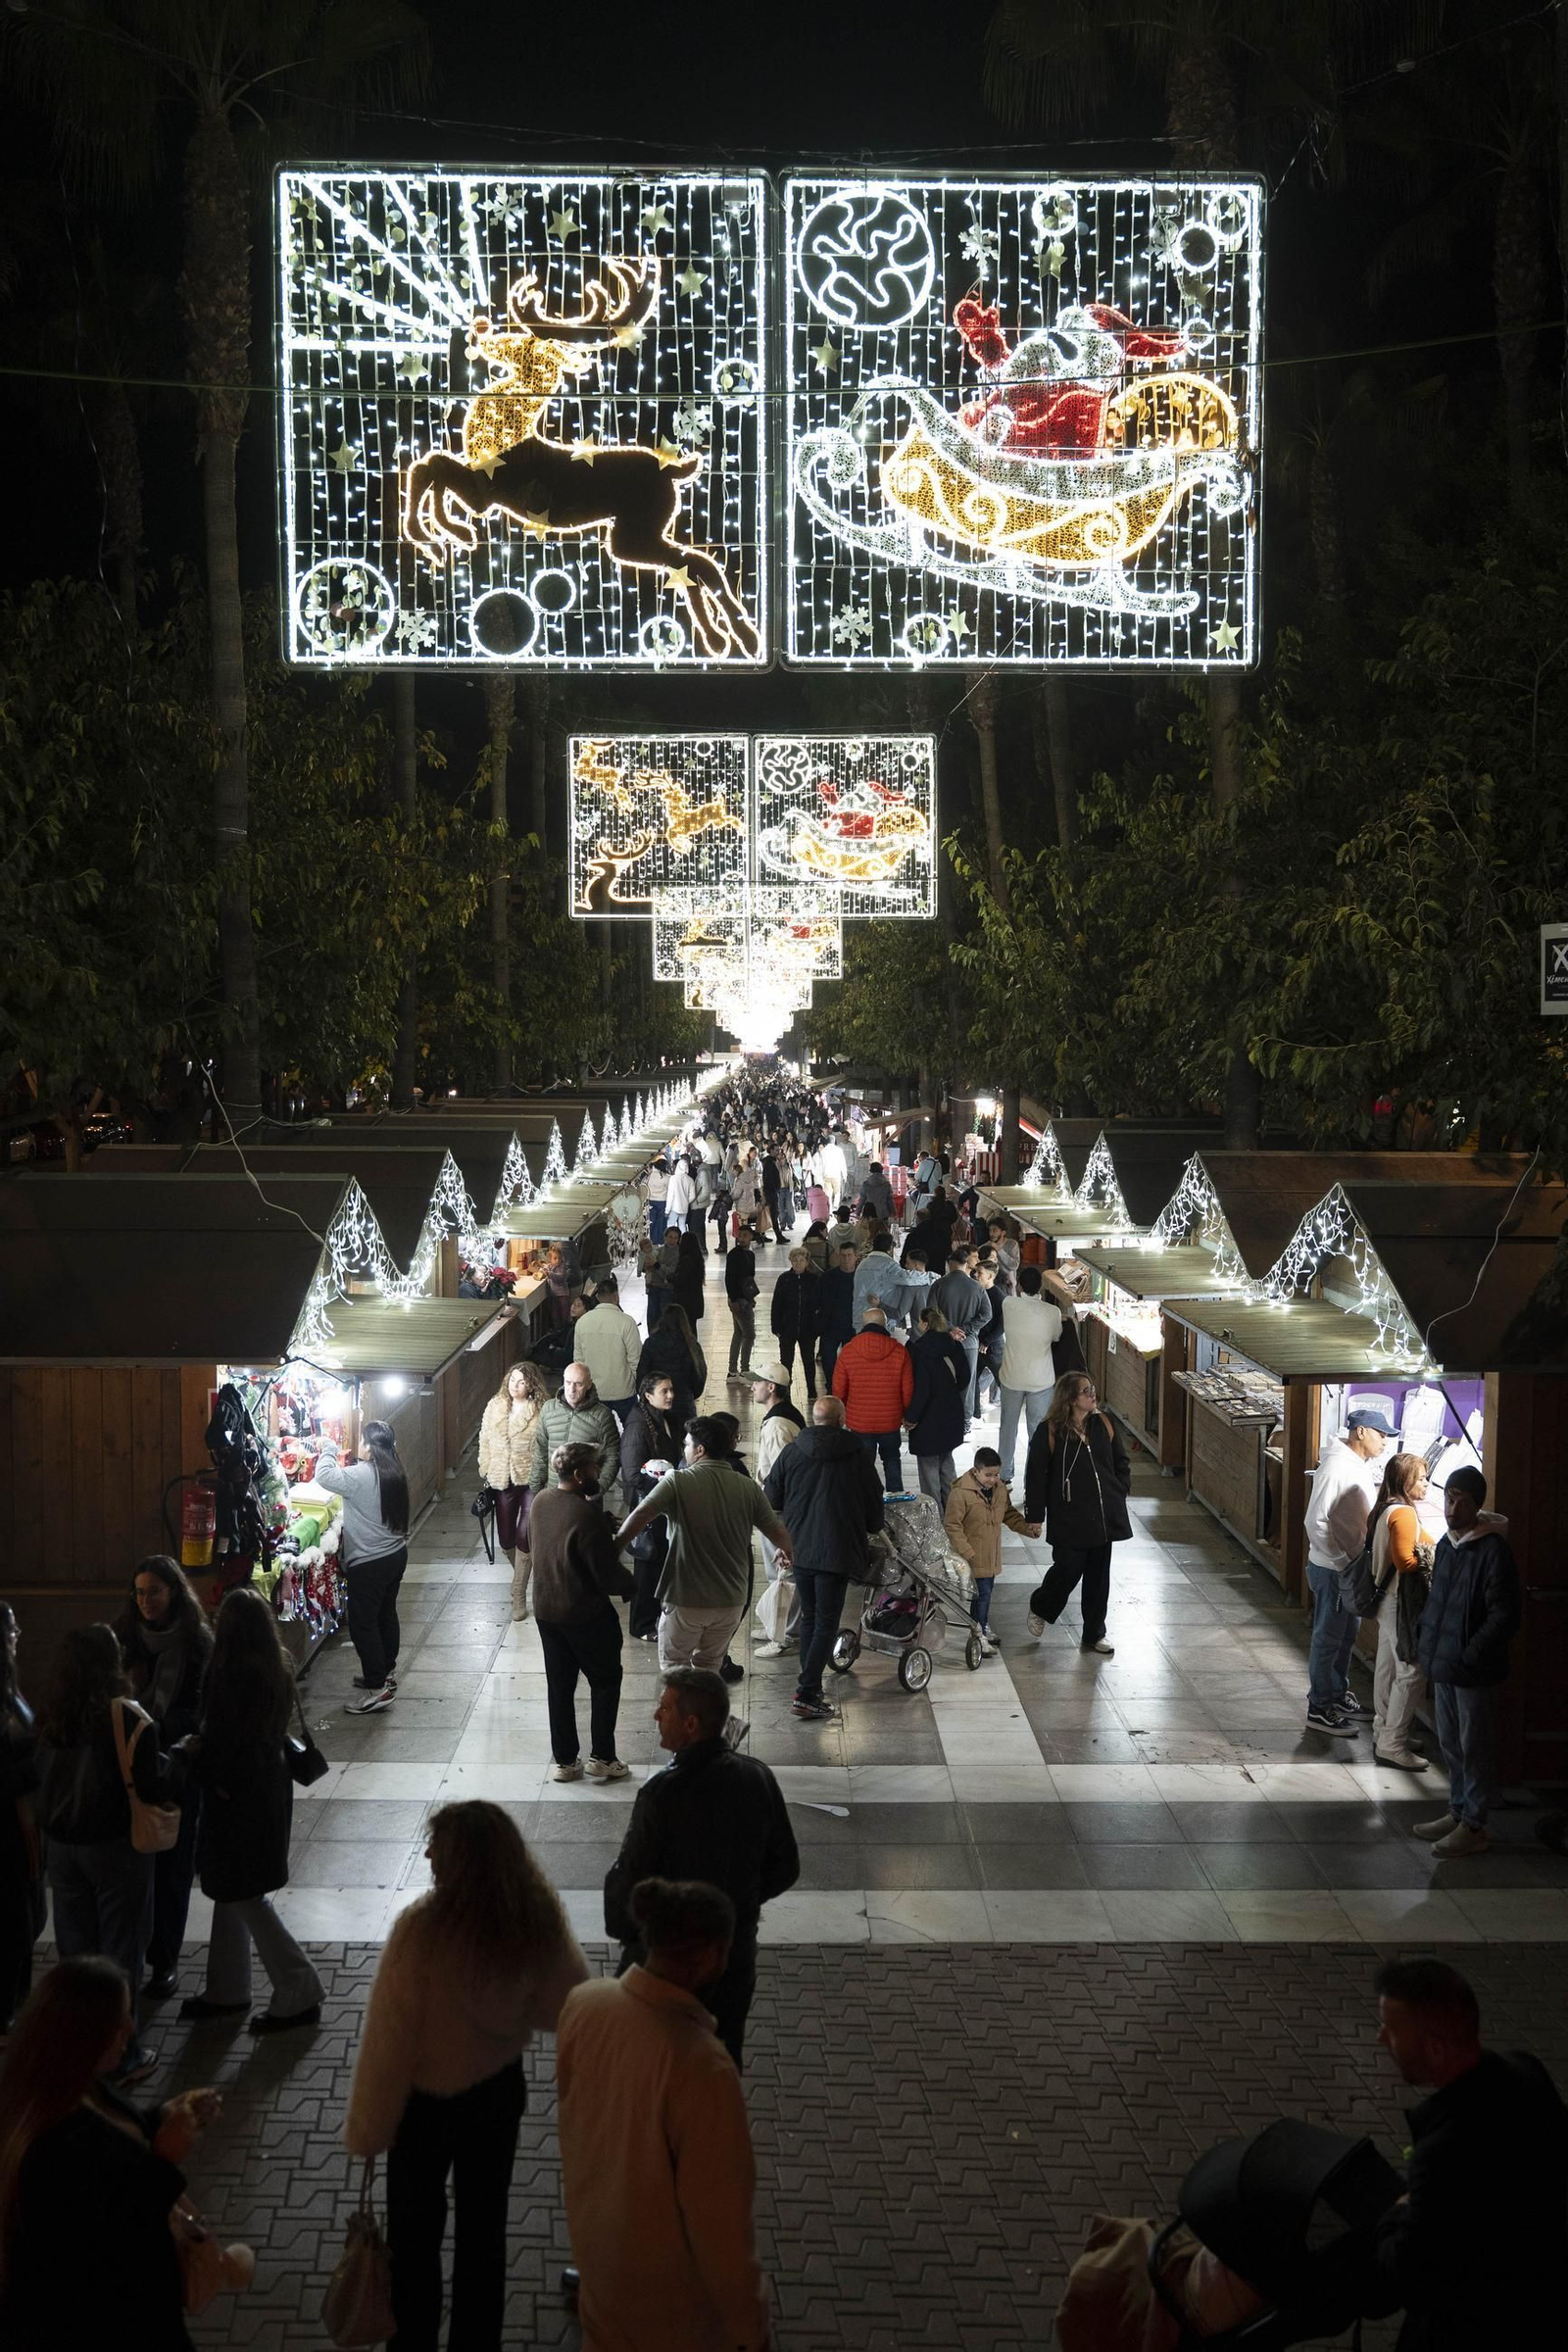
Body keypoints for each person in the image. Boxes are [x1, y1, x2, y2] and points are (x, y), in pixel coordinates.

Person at [346, 1803, 588, 2352]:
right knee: (484, 2235)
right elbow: (568, 2006)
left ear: (459, 1861)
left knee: (413, 2240)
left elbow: (389, 2045)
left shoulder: (418, 1932)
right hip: (496, 2098)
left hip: (422, 2112)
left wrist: (368, 2131)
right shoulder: (533, 1922)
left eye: (437, 1847)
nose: (427, 1854)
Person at [558, 1878, 769, 2352]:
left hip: (599, 2265)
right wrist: (749, 2327)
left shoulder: (584, 2005)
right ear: (713, 1955)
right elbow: (722, 2228)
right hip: (672, 2312)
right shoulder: (704, 2069)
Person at [0, 1956, 229, 2352]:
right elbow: (110, 2234)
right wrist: (164, 2159)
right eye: (118, 2020)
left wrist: (163, 2118)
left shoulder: (79, 2087)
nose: (130, 2029)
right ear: (81, 2034)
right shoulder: (46, 2147)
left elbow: (116, 2142)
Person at [1342, 1958, 1568, 2351]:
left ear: (1435, 2049)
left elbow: (1402, 2272)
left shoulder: (1443, 2154)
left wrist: (1398, 2210)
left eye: (1391, 2031)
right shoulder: (1526, 2072)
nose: (1381, 2039)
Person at [604, 1671, 799, 2064]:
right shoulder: (757, 1777)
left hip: (665, 1965)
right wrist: (734, 1907)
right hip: (732, 1959)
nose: (656, 1716)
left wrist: (640, 1935)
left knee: (650, 2071)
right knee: (720, 2062)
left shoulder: (662, 1794)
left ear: (691, 1724)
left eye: (664, 1708)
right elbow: (786, 1867)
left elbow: (625, 1891)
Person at [177, 1587, 323, 2034]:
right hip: (268, 1788)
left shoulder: (229, 1674)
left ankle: (298, 1985)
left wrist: (193, 1754)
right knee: (233, 1892)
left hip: (236, 1797)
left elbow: (225, 1743)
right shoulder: (275, 1664)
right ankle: (227, 1986)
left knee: (244, 1894)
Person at [34, 1623, 168, 2084]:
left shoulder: (51, 1711)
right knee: (120, 1952)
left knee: (75, 1952)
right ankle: (122, 2055)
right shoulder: (128, 1716)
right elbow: (152, 1786)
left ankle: (78, 2051)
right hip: (115, 1848)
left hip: (62, 1849)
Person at [614, 1414, 792, 1674]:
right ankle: (706, 1714)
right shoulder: (747, 1487)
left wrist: (616, 1547)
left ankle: (682, 1715)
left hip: (686, 1599)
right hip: (730, 1602)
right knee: (709, 1671)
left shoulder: (678, 1481)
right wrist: (784, 1549)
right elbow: (779, 1532)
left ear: (699, 1450)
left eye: (686, 1444)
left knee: (675, 1671)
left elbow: (641, 1515)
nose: (684, 1449)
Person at [113, 1556, 213, 2001]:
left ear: (174, 1590)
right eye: (138, 1592)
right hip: (130, 1767)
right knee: (135, 1868)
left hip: (174, 1770)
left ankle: (165, 1961)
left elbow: (202, 1713)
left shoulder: (196, 1642)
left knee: (173, 1869)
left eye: (153, 1591)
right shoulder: (125, 1638)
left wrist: (161, 1728)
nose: (145, 1601)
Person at [1411, 1465, 1521, 1858]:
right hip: (1444, 1663)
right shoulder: (1447, 1544)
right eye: (1449, 1497)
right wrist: (1427, 1643)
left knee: (1473, 1747)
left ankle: (1474, 1824)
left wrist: (1470, 1652)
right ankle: (1457, 1812)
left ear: (1477, 1506)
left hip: (1472, 1670)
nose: (1452, 1507)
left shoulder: (1492, 1551)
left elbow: (1504, 1615)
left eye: (1461, 1501)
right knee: (1450, 1745)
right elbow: (1437, 1602)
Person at [765, 1396, 885, 1721]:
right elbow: (875, 1510)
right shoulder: (858, 1455)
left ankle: (811, 1688)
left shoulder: (793, 1451)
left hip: (801, 1548)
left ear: (813, 1418)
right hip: (838, 1550)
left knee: (810, 1619)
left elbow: (771, 1496)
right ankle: (806, 1693)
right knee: (824, 1622)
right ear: (843, 1418)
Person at [530, 1443, 638, 1784]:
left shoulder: (541, 1501)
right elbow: (605, 1574)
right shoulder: (586, 1514)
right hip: (584, 1614)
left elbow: (559, 1533)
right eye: (593, 1468)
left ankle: (565, 1761)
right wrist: (636, 1587)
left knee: (559, 1686)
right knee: (605, 1681)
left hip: (547, 1609)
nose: (597, 1474)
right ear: (579, 1476)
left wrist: (601, 1523)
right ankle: (603, 1758)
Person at [1301, 1405, 1396, 1737]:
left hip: (1345, 1568)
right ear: (1360, 1432)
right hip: (1332, 1569)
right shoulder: (1337, 1467)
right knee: (1328, 1638)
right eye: (1381, 1434)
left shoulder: (1353, 1464)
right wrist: (1342, 1564)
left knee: (1345, 1636)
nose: (1385, 1441)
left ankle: (1337, 1695)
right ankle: (1320, 1706)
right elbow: (1315, 1521)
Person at [1023, 1372, 1131, 1655]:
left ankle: (1095, 1633)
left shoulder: (1102, 1423)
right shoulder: (1049, 1431)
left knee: (1098, 1576)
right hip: (1069, 1515)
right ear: (1071, 1399)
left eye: (1092, 1389)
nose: (1093, 1394)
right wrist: (1035, 1515)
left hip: (1103, 1515)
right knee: (1068, 1568)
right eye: (1086, 1391)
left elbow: (1120, 1460)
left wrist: (1120, 1488)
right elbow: (1036, 1475)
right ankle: (1041, 1605)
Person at [318, 1419, 411, 1715]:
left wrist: (329, 1447)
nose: (358, 1444)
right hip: (396, 1555)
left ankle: (376, 1687)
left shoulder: (359, 1475)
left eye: (361, 1440)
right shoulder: (395, 1471)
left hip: (370, 1563)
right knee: (385, 1613)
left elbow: (324, 1476)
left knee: (362, 1624)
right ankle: (386, 1673)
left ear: (369, 1446)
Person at [1364, 1452, 1435, 1773]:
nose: (1426, 1484)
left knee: (1387, 1665)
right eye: (1420, 1478)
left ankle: (1384, 1728)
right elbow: (1406, 1561)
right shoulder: (1404, 1513)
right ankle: (1393, 1743)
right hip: (1398, 1601)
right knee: (1411, 1670)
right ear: (1405, 1480)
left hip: (1383, 1599)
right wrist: (1432, 1557)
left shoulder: (1385, 1508)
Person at [478, 1360, 551, 1621]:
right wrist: (485, 1468)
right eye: (512, 1380)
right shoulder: (495, 1407)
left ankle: (519, 1592)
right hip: (502, 1478)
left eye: (521, 1381)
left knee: (525, 1534)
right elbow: (485, 1439)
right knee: (506, 1538)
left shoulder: (542, 1409)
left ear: (531, 1383)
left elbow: (547, 1443)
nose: (515, 1386)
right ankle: (521, 1576)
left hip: (531, 1478)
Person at [0, 1605, 43, 2034]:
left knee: (26, 1916)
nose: (17, 1632)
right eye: (11, 1626)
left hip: (21, 1820)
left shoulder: (10, 1687)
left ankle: (16, 2007)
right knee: (16, 1920)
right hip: (9, 1824)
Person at [946, 1447, 1032, 1656]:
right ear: (976, 1472)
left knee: (985, 1593)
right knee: (982, 1594)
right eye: (988, 1475)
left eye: (996, 1474)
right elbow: (952, 1525)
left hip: (991, 1554)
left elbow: (1008, 1514)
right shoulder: (960, 1493)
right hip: (973, 1555)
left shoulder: (1000, 1489)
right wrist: (966, 1550)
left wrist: (1027, 1528)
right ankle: (978, 1634)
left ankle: (981, 1626)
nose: (993, 1479)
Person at [620, 1372, 683, 1642]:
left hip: (661, 1503)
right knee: (647, 1563)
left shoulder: (664, 1418)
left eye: (671, 1389)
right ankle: (642, 1624)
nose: (670, 1395)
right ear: (648, 1396)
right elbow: (632, 1474)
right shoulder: (638, 1427)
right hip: (648, 1505)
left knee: (659, 1562)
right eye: (664, 1391)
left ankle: (656, 1617)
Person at [750, 1366, 805, 1659]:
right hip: (778, 1507)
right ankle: (777, 1623)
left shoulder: (777, 1425)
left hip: (779, 1509)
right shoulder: (783, 1416)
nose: (752, 1387)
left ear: (771, 1387)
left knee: (784, 1572)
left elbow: (785, 1470)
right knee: (778, 1573)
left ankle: (784, 1633)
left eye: (756, 1382)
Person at [832, 1301, 914, 1491]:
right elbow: (907, 1389)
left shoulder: (849, 1351)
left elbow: (839, 1388)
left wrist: (842, 1414)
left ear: (863, 1324)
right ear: (885, 1324)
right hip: (890, 1420)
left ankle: (864, 1504)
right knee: (892, 1461)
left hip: (859, 1421)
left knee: (862, 1467)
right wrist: (907, 1415)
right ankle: (897, 1504)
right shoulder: (900, 1351)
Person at [997, 1264, 1065, 1482]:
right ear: (1042, 1288)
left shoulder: (1008, 1304)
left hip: (1012, 1376)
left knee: (1008, 1428)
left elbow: (1010, 1297)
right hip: (1041, 1380)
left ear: (1019, 1285)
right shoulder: (1052, 1312)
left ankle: (1005, 1475)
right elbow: (1056, 1336)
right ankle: (1033, 1480)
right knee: (1037, 1433)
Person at [529, 1361, 622, 1504]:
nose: (571, 1389)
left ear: (589, 1385)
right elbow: (541, 1449)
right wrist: (536, 1488)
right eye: (568, 1382)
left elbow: (612, 1456)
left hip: (585, 1496)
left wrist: (598, 1489)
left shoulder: (603, 1415)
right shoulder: (548, 1409)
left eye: (578, 1384)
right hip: (553, 1493)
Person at [905, 1302, 970, 1505]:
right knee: (947, 1463)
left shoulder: (918, 1351)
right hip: (951, 1412)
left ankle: (935, 1519)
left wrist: (911, 1418)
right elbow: (965, 1377)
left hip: (928, 1419)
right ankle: (953, 1515)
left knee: (928, 1471)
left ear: (924, 1324)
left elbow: (921, 1388)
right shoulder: (954, 1346)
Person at [572, 1275, 643, 1425]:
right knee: (632, 1429)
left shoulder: (582, 1322)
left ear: (597, 1297)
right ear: (616, 1296)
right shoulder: (627, 1322)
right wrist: (636, 1385)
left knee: (597, 1433)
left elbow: (578, 1360)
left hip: (595, 1390)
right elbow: (636, 1359)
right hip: (623, 1390)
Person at [933, 1248, 990, 1428]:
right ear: (966, 1265)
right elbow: (986, 1314)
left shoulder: (939, 1285)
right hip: (969, 1343)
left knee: (943, 1381)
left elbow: (931, 1313)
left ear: (950, 1264)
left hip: (944, 1342)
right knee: (967, 1384)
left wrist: (950, 1329)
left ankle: (945, 1418)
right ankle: (965, 1423)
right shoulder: (977, 1287)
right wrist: (967, 1329)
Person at [636, 1300, 709, 1428]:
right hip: (684, 1405)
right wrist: (690, 1394)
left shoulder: (651, 1343)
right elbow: (699, 1376)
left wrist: (648, 1397)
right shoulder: (691, 1345)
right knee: (685, 1442)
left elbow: (642, 1374)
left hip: (657, 1404)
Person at [769, 1245, 821, 1400]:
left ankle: (811, 1390)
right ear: (791, 1262)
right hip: (787, 1328)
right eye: (795, 1260)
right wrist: (776, 1326)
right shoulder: (784, 1279)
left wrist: (817, 1327)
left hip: (808, 1329)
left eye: (801, 1260)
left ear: (807, 1262)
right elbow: (777, 1304)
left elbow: (819, 1304)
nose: (798, 1263)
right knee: (786, 1362)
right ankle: (785, 1391)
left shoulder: (814, 1280)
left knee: (808, 1360)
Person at [816, 1238, 859, 1394]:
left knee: (851, 1361)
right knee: (828, 1360)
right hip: (830, 1327)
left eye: (849, 1255)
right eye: (843, 1255)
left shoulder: (860, 1278)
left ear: (856, 1256)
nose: (846, 1259)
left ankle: (848, 1388)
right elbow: (818, 1300)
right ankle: (832, 1387)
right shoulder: (828, 1277)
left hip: (852, 1327)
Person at [724, 1224, 760, 1380]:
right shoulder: (734, 1255)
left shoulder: (750, 1255)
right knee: (749, 1335)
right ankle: (744, 1370)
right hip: (738, 1300)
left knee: (739, 1333)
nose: (742, 1238)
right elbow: (729, 1278)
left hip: (746, 1298)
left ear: (751, 1237)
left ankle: (733, 1371)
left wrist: (751, 1297)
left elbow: (749, 1278)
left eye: (746, 1235)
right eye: (740, 1235)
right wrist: (732, 1300)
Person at [671, 1226, 707, 1329]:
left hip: (686, 1302)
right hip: (695, 1300)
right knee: (692, 1328)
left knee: (686, 1330)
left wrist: (670, 1277)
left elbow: (680, 1279)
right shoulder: (697, 1259)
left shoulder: (686, 1260)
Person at [664, 1151, 695, 1236]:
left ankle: (670, 1241)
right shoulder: (690, 1179)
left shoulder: (673, 1179)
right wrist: (686, 1201)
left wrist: (667, 1210)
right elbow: (693, 1196)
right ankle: (683, 1241)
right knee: (682, 1225)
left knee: (670, 1225)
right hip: (684, 1207)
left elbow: (670, 1195)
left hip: (674, 1207)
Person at [860, 1159, 895, 1225]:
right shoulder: (886, 1184)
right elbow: (890, 1200)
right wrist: (894, 1212)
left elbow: (862, 1199)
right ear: (881, 1170)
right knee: (883, 1233)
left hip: (869, 1214)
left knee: (870, 1233)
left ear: (871, 1171)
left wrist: (857, 1212)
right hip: (883, 1213)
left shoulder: (866, 1184)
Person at [646, 1152, 669, 1246]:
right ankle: (660, 1240)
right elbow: (669, 1188)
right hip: (662, 1201)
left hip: (650, 1200)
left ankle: (652, 1239)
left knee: (652, 1221)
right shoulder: (666, 1177)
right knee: (661, 1222)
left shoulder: (649, 1176)